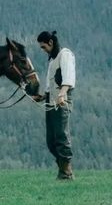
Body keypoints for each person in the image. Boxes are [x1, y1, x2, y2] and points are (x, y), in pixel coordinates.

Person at [35, 30, 76, 180]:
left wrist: (62, 93)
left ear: (51, 43)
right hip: (50, 101)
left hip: (62, 100)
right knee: (51, 140)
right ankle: (63, 170)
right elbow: (50, 84)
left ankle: (66, 173)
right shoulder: (52, 59)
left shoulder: (65, 54)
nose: (43, 50)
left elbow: (69, 77)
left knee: (61, 136)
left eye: (43, 47)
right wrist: (42, 96)